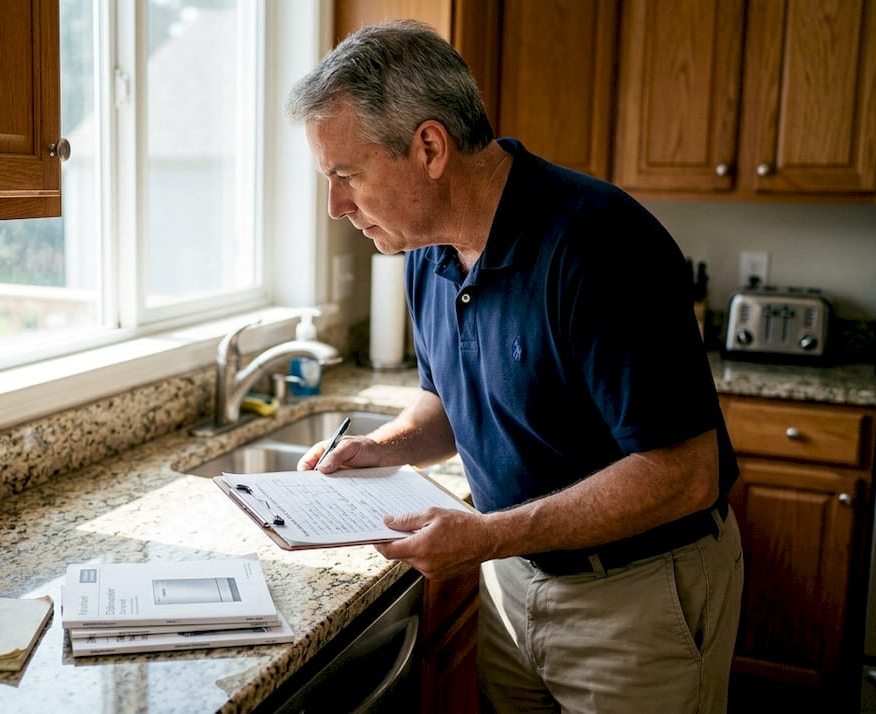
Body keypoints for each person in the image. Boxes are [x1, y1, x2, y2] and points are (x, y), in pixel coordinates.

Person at [287, 20, 743, 713]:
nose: (336, 207)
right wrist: (376, 449)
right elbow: (449, 402)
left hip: (639, 596)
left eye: (345, 175)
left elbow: (683, 474)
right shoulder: (424, 252)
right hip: (512, 582)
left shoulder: (597, 244)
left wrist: (490, 535)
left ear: (429, 147)